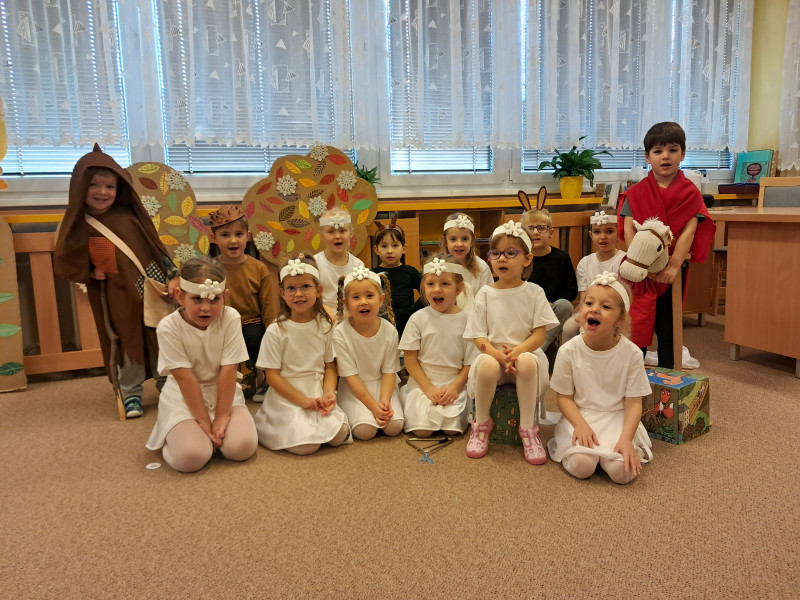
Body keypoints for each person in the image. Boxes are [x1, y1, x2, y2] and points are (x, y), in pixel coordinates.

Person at [54, 144, 180, 419]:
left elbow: (156, 248)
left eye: (109, 186)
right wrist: (90, 272)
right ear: (81, 187)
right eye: (94, 185)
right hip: (117, 294)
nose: (102, 192)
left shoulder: (128, 217)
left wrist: (173, 276)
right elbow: (68, 257)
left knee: (160, 336)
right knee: (125, 341)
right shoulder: (79, 224)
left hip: (151, 289)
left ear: (119, 188)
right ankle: (130, 391)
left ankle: (168, 386)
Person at [617, 121, 715, 368]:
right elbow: (629, 228)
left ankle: (668, 379)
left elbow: (689, 231)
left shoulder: (690, 193)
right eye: (658, 151)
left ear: (682, 153)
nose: (665, 156)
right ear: (647, 157)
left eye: (672, 150)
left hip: (672, 271)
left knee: (668, 326)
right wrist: (639, 263)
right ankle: (631, 376)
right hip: (640, 272)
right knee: (637, 323)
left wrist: (673, 266)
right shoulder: (636, 192)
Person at [145, 257, 258, 472]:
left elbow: (229, 370)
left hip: (223, 392)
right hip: (184, 397)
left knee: (242, 448)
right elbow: (185, 379)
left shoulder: (230, 318)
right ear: (180, 296)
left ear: (225, 297)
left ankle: (211, 434)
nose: (206, 308)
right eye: (197, 299)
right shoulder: (168, 327)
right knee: (191, 457)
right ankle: (173, 437)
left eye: (214, 299)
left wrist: (222, 416)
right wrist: (205, 423)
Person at [463, 220, 558, 464]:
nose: (501, 258)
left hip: (524, 357)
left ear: (527, 259)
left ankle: (528, 430)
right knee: (485, 366)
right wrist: (498, 354)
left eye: (510, 253)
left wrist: (517, 351)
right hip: (494, 358)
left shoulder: (534, 292)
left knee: (526, 361)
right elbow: (478, 336)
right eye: (495, 253)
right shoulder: (485, 293)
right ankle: (481, 424)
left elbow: (539, 335)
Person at [547, 272, 653, 484]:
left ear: (620, 319)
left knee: (622, 473)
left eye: (605, 307)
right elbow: (564, 397)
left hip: (617, 418)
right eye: (589, 303)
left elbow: (633, 403)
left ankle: (610, 454)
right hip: (580, 416)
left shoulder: (631, 354)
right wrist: (580, 425)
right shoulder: (568, 351)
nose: (594, 309)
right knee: (582, 466)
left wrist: (626, 438)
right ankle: (589, 455)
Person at [253, 255, 350, 455]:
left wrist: (329, 393)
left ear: (319, 290)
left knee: (339, 435)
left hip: (316, 390)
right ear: (282, 293)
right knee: (306, 446)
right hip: (287, 395)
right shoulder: (276, 330)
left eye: (306, 286)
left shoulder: (325, 326)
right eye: (291, 288)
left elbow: (330, 366)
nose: (299, 294)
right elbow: (272, 376)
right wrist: (302, 401)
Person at [400, 254, 477, 437]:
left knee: (452, 429)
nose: (437, 289)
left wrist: (455, 387)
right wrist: (428, 389)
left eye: (445, 284)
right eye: (430, 284)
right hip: (423, 383)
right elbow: (410, 360)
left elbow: (470, 362)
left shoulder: (468, 320)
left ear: (458, 289)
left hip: (455, 384)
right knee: (422, 431)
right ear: (423, 287)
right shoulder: (417, 319)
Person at [208, 205, 272, 400]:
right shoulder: (210, 269)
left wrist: (272, 332)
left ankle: (268, 380)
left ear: (248, 236)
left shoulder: (258, 268)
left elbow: (268, 305)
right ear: (214, 238)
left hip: (250, 324)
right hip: (220, 325)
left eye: (238, 234)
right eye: (225, 235)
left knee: (255, 339)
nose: (233, 240)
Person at [333, 266, 404, 440]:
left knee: (394, 426)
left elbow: (389, 372)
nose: (363, 302)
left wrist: (384, 401)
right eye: (356, 297)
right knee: (365, 431)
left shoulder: (389, 331)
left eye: (369, 296)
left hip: (383, 386)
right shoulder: (340, 333)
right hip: (354, 389)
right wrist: (373, 406)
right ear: (346, 303)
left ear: (381, 299)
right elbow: (351, 376)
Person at [520, 205, 578, 355]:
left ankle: (541, 345)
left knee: (565, 305)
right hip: (528, 310)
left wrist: (550, 303)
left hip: (553, 310)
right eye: (530, 228)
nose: (535, 232)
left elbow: (571, 289)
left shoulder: (562, 257)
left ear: (551, 233)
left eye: (541, 228)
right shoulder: (520, 259)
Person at [562, 206, 626, 342]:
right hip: (590, 310)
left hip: (614, 312)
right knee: (569, 327)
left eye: (609, 231)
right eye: (597, 232)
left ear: (619, 233)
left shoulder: (624, 261)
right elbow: (584, 296)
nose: (602, 237)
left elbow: (624, 298)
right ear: (591, 235)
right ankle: (570, 354)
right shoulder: (585, 263)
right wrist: (583, 314)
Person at [371, 219, 422, 337]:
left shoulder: (410, 272)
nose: (390, 251)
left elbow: (426, 291)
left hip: (409, 319)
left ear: (404, 248)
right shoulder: (373, 274)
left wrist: (413, 311)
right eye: (384, 246)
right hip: (382, 320)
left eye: (395, 245)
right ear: (377, 250)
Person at [440, 212, 493, 306]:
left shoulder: (481, 267)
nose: (459, 244)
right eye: (453, 239)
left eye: (464, 239)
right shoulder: (438, 266)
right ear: (445, 241)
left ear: (472, 241)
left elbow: (487, 299)